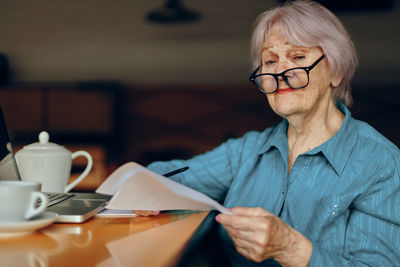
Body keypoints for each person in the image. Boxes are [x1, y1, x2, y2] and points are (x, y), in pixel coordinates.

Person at [135, 0, 400, 266]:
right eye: (270, 60)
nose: (280, 72)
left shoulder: (380, 162)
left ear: (336, 71)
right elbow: (169, 174)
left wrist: (290, 248)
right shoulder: (248, 151)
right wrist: (149, 188)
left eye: (297, 57)